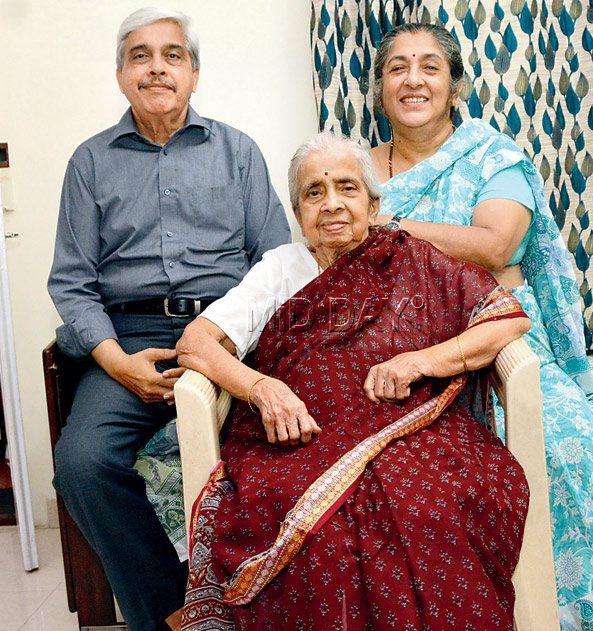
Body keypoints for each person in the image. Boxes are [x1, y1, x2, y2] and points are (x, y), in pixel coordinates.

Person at [173, 133, 531, 630]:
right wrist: (262, 388)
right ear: (299, 213)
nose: (333, 204)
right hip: (300, 441)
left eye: (347, 187)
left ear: (373, 202)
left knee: (431, 507)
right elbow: (196, 343)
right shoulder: (281, 269)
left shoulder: (413, 258)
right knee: (321, 535)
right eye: (314, 193)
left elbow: (505, 319)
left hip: (414, 431)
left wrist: (421, 361)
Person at [370, 23, 593, 629]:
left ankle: (579, 616)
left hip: (505, 341)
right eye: (397, 68)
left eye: (429, 67)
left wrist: (388, 231)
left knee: (564, 442)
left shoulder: (492, 157)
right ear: (379, 87)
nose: (413, 80)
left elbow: (497, 245)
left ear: (454, 84)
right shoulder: (356, 172)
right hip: (395, 351)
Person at [47, 8, 290, 630]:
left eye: (172, 55)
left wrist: (234, 340)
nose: (157, 67)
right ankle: (176, 613)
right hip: (129, 342)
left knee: (285, 452)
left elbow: (276, 264)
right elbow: (72, 284)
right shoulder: (90, 162)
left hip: (227, 337)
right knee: (81, 463)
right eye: (140, 56)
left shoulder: (238, 152)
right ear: (122, 75)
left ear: (195, 71)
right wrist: (115, 361)